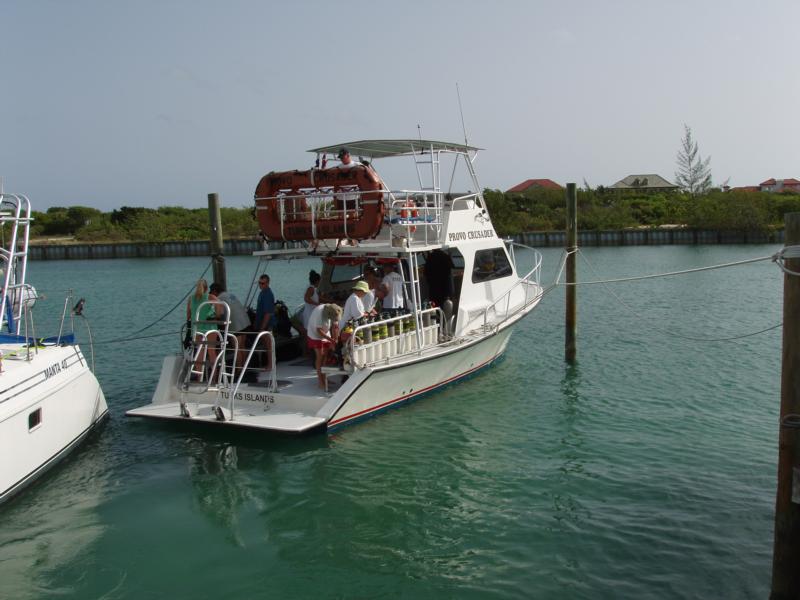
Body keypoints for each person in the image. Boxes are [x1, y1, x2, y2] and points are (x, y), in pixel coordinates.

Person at [209, 283, 250, 373]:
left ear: (215, 291)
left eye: (211, 291)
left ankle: (239, 370)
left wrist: (211, 318)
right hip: (245, 322)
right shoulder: (229, 294)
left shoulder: (219, 298)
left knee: (237, 348)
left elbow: (219, 314)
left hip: (236, 325)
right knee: (242, 346)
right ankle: (244, 368)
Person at [186, 278, 219, 380]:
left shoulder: (191, 299)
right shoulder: (210, 297)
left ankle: (199, 377)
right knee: (211, 352)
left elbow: (188, 316)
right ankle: (214, 378)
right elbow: (221, 310)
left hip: (197, 328)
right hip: (209, 328)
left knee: (199, 353)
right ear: (206, 288)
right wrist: (214, 315)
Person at [306, 303, 342, 389]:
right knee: (320, 356)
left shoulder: (335, 310)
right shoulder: (319, 312)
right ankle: (320, 381)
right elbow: (318, 330)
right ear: (328, 314)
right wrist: (331, 340)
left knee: (325, 356)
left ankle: (325, 378)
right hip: (315, 335)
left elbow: (335, 327)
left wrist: (335, 339)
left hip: (325, 333)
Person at [255, 274, 276, 371]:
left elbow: (268, 313)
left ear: (268, 283)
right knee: (266, 344)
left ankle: (271, 365)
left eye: (262, 283)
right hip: (261, 322)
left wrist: (262, 328)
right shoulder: (262, 293)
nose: (260, 285)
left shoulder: (268, 294)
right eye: (259, 283)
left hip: (267, 324)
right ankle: (269, 363)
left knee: (269, 345)